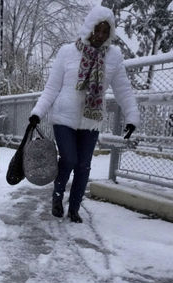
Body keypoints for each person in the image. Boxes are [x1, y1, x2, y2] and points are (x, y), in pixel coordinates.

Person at [28, 5, 139, 223]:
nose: (100, 35)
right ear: (89, 27)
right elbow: (52, 88)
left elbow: (123, 89)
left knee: (83, 165)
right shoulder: (67, 52)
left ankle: (75, 208)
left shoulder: (114, 57)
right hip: (64, 118)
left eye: (105, 32)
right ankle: (57, 197)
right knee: (69, 159)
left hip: (91, 120)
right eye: (97, 29)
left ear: (110, 34)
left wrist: (132, 117)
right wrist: (37, 113)